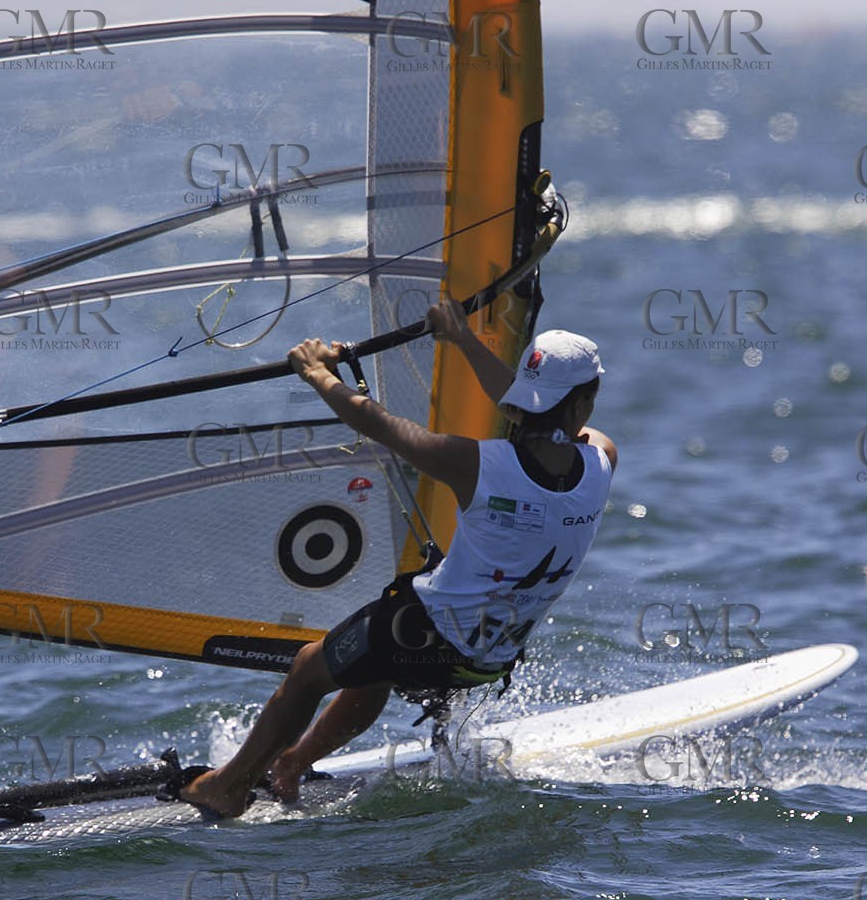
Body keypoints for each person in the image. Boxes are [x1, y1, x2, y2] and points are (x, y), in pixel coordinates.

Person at [180, 299, 617, 818]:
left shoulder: (475, 463)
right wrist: (461, 337)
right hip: (487, 660)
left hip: (424, 630)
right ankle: (293, 763)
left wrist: (317, 373)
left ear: (527, 396)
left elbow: (379, 423)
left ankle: (228, 786)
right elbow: (543, 418)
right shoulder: (603, 459)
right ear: (586, 403)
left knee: (309, 668)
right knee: (371, 667)